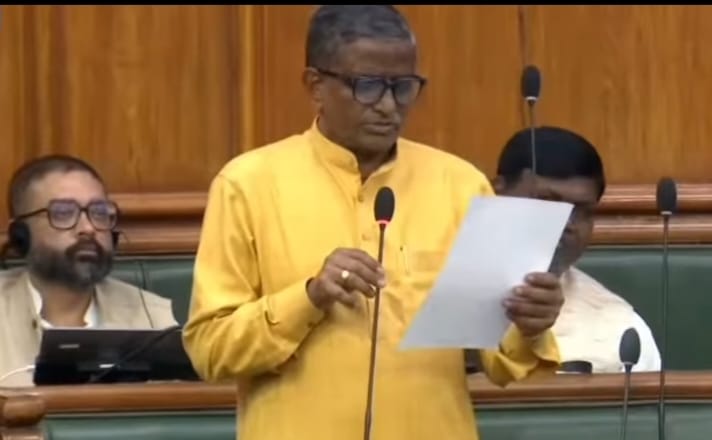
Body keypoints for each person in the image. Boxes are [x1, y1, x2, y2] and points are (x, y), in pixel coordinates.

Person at [183, 5, 564, 440]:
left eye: (403, 87)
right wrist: (309, 297)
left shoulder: (460, 185)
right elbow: (210, 350)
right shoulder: (247, 185)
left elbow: (502, 361)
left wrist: (531, 323)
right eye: (367, 86)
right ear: (315, 85)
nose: (388, 106)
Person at [493, 126, 661, 373]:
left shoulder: (622, 331)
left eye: (581, 211)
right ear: (497, 194)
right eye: (546, 203)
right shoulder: (433, 289)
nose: (565, 224)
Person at [0, 154, 178, 387]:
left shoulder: (152, 319)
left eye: (100, 213)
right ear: (21, 234)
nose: (88, 228)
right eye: (63, 213)